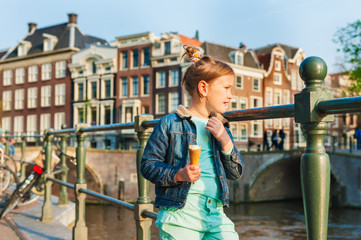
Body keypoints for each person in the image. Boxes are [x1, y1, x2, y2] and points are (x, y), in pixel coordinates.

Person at [141, 45, 243, 240]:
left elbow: (235, 173)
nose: (231, 95)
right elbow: (147, 165)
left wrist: (226, 142)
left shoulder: (222, 127)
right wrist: (178, 174)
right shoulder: (170, 123)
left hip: (215, 214)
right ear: (203, 88)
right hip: (181, 214)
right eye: (227, 88)